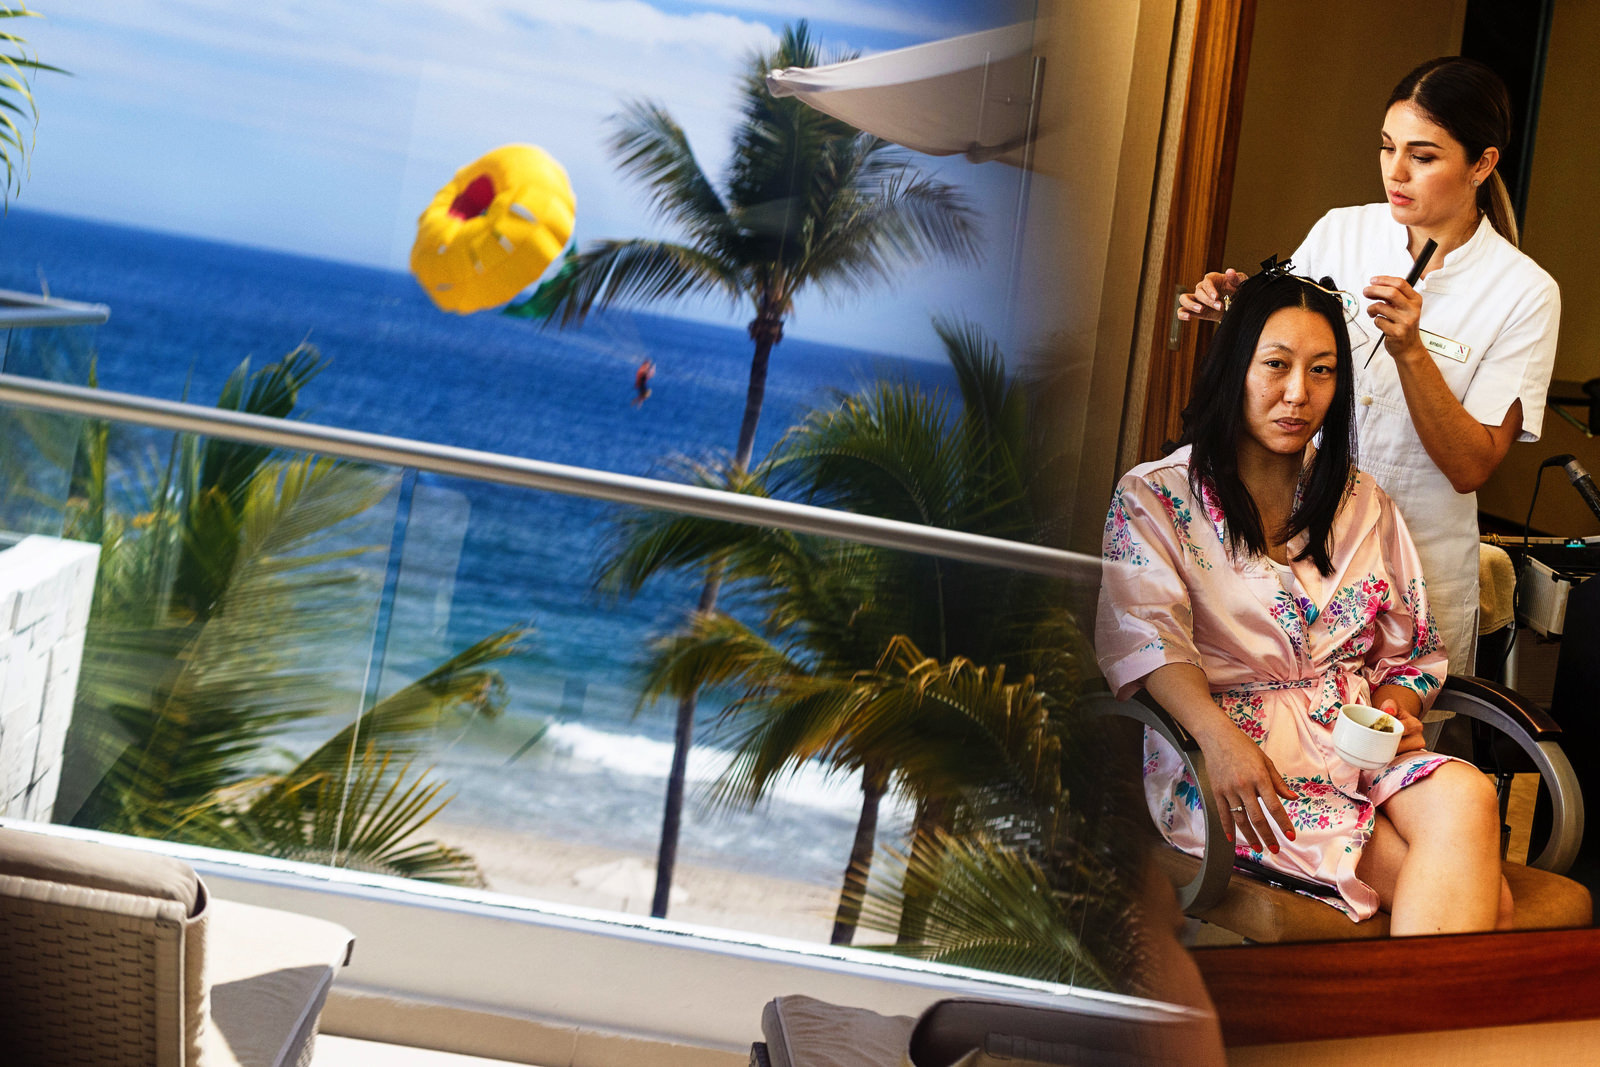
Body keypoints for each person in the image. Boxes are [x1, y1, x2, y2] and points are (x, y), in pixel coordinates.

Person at [1099, 269, 1510, 934]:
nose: (1298, 394)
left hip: (1356, 744)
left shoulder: (1360, 500)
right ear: (1236, 367)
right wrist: (1217, 738)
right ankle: (1411, 1038)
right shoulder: (1156, 497)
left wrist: (1397, 709)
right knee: (1489, 902)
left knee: (1468, 792)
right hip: (1236, 759)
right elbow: (1149, 640)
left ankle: (1400, 1038)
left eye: (1321, 371)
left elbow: (1412, 651)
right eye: (1276, 365)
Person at [1178, 56, 1560, 679]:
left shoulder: (1523, 291)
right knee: (1281, 724)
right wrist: (1242, 311)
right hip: (1295, 538)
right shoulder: (1341, 233)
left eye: (1424, 156)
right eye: (1387, 148)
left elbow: (1471, 466)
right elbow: (1289, 345)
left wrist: (1412, 350)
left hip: (1418, 570)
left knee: (1392, 749)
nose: (1396, 172)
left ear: (1483, 164)